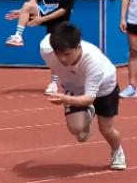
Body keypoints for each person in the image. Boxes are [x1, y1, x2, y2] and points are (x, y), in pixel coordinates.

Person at [42, 23, 126, 170]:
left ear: (78, 47)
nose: (62, 59)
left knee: (106, 129)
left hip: (104, 89)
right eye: (58, 54)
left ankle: (117, 151)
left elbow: (89, 98)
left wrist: (65, 99)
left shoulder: (93, 61)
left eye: (67, 54)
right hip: (75, 88)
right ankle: (87, 113)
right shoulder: (46, 48)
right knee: (78, 133)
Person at [5, 0, 76, 95]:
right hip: (44, 13)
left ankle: (54, 83)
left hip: (59, 20)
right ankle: (18, 36)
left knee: (55, 51)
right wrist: (22, 11)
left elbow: (63, 10)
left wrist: (41, 20)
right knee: (27, 5)